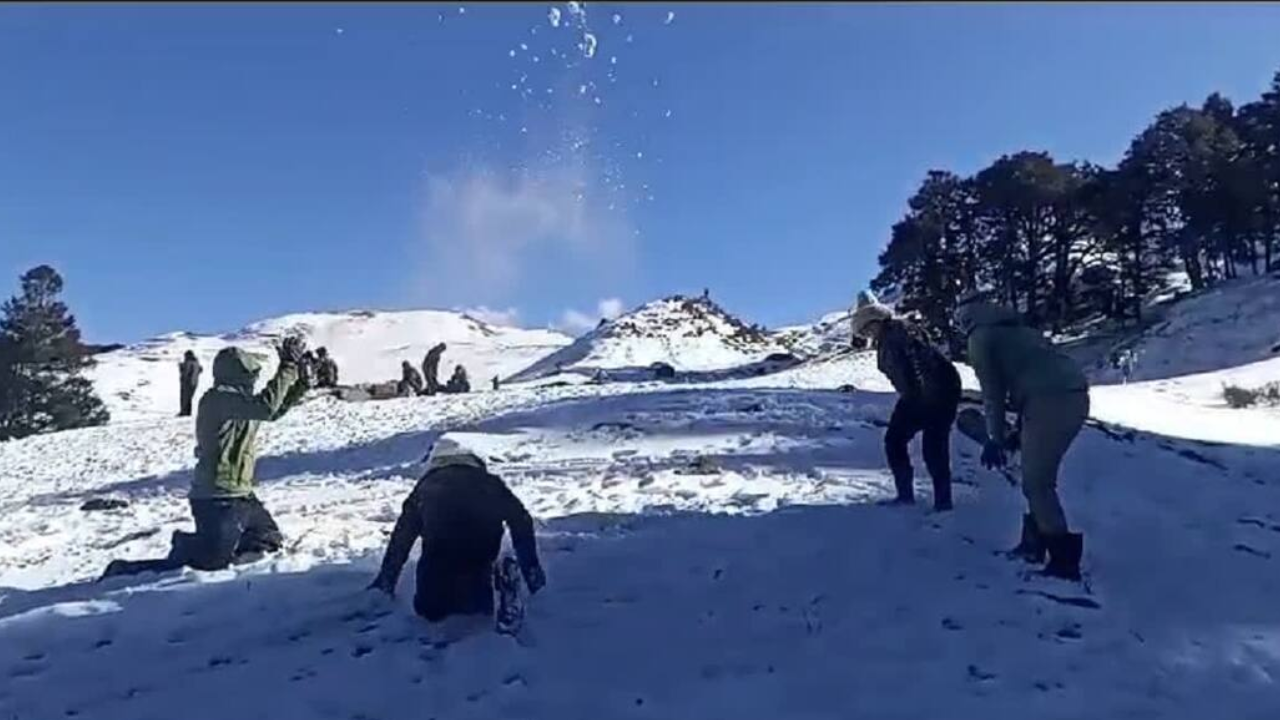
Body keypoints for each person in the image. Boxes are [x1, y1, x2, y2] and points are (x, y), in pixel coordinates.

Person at [101, 337, 309, 580]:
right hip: (216, 498)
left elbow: (272, 412)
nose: (253, 377)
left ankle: (221, 544)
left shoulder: (242, 403)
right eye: (250, 372)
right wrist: (288, 368)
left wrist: (301, 385)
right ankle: (142, 563)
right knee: (209, 563)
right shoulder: (217, 399)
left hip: (242, 495)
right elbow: (266, 408)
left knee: (267, 542)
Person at [955, 290, 1090, 581]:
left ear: (964, 316)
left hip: (1050, 401)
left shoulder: (980, 337)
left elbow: (992, 392)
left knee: (1037, 483)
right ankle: (1034, 544)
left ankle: (1064, 562)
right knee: (1035, 477)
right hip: (1069, 396)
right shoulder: (1018, 329)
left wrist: (994, 437)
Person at [368, 436, 546, 623]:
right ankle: (505, 576)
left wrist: (386, 580)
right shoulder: (491, 483)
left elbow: (401, 538)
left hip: (437, 564)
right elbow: (521, 520)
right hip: (479, 559)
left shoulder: (424, 488)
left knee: (430, 613)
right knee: (476, 610)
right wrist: (531, 570)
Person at [850, 290, 962, 512]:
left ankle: (943, 502)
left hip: (938, 391)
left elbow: (921, 362)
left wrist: (926, 398)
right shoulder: (886, 339)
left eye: (867, 327)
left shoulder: (900, 331)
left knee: (934, 447)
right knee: (895, 440)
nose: (867, 333)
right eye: (863, 330)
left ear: (877, 320)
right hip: (916, 395)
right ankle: (905, 495)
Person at [178, 350, 203, 417]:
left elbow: (186, 373)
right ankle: (187, 412)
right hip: (194, 382)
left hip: (188, 382)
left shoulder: (189, 362)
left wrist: (181, 368)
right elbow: (200, 370)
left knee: (185, 397)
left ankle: (184, 412)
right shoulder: (196, 362)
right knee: (189, 398)